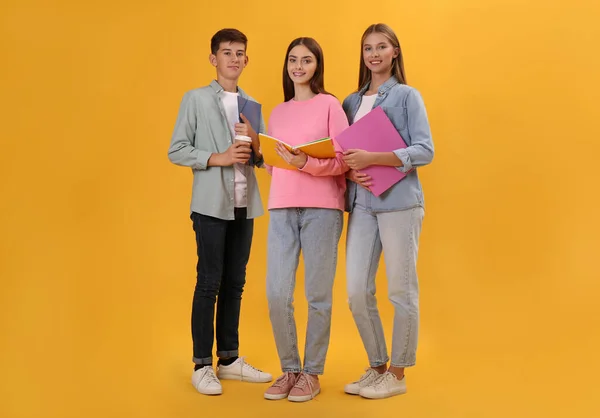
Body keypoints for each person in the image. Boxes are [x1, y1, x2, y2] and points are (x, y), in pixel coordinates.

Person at [167, 28, 272, 396]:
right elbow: (177, 149)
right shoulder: (195, 99)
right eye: (226, 52)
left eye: (240, 52)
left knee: (236, 283)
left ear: (246, 59)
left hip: (246, 205)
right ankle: (201, 364)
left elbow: (262, 161)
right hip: (210, 206)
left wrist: (259, 149)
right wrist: (218, 158)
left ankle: (228, 360)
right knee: (209, 282)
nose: (233, 58)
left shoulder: (252, 105)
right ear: (214, 59)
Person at [341, 23, 435, 399]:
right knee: (356, 292)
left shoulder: (408, 96)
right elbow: (343, 154)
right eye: (368, 48)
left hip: (400, 204)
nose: (374, 54)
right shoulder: (350, 101)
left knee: (400, 289)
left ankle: (397, 374)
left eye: (382, 47)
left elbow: (424, 150)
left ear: (395, 52)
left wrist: (374, 157)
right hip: (362, 205)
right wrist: (351, 166)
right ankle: (377, 367)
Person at [262, 37, 349, 402]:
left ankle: (311, 372)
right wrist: (262, 151)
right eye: (293, 60)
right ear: (287, 66)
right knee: (277, 292)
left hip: (322, 208)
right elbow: (271, 163)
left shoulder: (331, 105)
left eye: (307, 60)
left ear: (317, 66)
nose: (298, 66)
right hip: (281, 206)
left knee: (317, 295)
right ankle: (290, 368)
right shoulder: (278, 112)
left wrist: (306, 163)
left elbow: (345, 159)